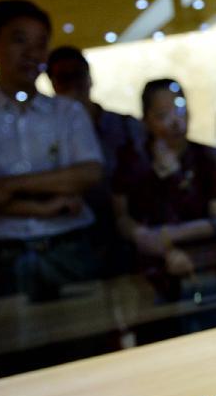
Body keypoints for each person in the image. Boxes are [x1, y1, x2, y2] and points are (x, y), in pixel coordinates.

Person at [0, 0, 103, 301]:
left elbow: (87, 173)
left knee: (89, 339)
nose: (32, 53)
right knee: (12, 344)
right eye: (19, 40)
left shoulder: (67, 111)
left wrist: (2, 188)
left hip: (70, 247)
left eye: (41, 44)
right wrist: (45, 206)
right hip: (0, 254)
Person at [112, 79, 216, 302]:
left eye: (180, 111)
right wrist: (143, 237)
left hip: (205, 264)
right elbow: (121, 216)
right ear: (146, 120)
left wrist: (166, 235)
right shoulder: (132, 160)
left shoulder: (206, 157)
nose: (175, 122)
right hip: (150, 273)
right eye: (162, 116)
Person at [47, 45, 145, 276]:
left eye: (78, 74)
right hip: (73, 235)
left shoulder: (126, 126)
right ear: (53, 83)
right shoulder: (46, 135)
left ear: (89, 77)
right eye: (64, 77)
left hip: (130, 229)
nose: (73, 83)